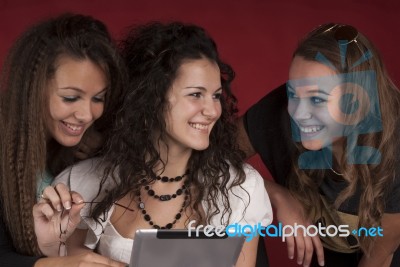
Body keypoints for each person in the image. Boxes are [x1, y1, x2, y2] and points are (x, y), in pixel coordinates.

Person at [36, 21, 273, 267]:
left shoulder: (242, 188)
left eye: (215, 95)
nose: (212, 110)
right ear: (151, 98)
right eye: (195, 94)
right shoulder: (84, 183)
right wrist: (53, 245)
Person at [237, 23, 400, 267]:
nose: (299, 114)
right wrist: (278, 195)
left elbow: (379, 257)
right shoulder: (277, 113)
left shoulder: (394, 148)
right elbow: (208, 156)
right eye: (293, 94)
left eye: (316, 99)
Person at [0, 13, 127, 267]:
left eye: (98, 98)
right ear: (33, 89)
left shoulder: (92, 147)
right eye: (70, 98)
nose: (86, 114)